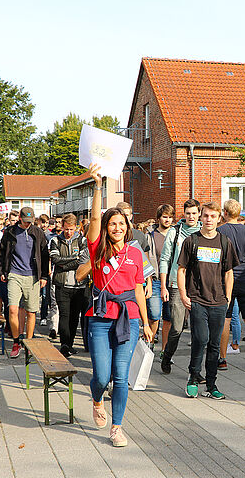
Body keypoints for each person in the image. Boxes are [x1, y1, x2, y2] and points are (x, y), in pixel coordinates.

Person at [85, 164, 152, 447]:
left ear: (128, 228)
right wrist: (98, 187)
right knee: (102, 376)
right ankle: (97, 399)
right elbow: (94, 221)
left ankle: (117, 427)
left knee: (121, 377)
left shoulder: (136, 253)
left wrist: (147, 324)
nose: (116, 228)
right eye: (112, 224)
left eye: (121, 224)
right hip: (101, 316)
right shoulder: (97, 247)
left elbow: (138, 289)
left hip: (129, 318)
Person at [177, 201, 237, 400]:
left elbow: (229, 273)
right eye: (206, 216)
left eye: (213, 216)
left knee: (214, 343)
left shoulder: (225, 242)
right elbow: (181, 270)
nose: (209, 219)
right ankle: (193, 378)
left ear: (219, 218)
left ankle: (211, 385)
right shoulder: (191, 241)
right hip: (197, 299)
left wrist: (227, 297)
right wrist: (184, 295)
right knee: (200, 340)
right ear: (201, 217)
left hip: (219, 301)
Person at [0, 206, 50, 359]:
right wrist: (2, 272)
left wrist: (44, 276)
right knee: (12, 309)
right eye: (25, 221)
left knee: (31, 311)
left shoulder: (38, 233)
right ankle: (16, 341)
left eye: (30, 222)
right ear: (20, 218)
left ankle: (29, 342)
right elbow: (2, 252)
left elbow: (45, 255)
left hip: (32, 276)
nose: (27, 224)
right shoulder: (10, 232)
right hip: (14, 274)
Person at [158, 199, 201, 374]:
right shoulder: (175, 232)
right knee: (177, 327)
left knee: (199, 330)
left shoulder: (204, 232)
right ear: (184, 214)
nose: (191, 216)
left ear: (199, 214)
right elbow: (165, 259)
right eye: (188, 213)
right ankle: (167, 355)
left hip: (199, 286)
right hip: (176, 284)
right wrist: (163, 286)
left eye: (194, 213)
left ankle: (195, 369)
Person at [217, 199, 245, 370]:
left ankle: (222, 359)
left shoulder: (220, 231)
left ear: (225, 213)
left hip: (225, 278)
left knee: (225, 318)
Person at [50, 213, 89, 357]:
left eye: (71, 229)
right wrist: (74, 259)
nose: (69, 232)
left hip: (79, 286)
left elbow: (83, 261)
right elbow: (55, 260)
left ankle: (70, 344)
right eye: (66, 229)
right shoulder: (55, 240)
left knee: (75, 317)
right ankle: (64, 345)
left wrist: (66, 262)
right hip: (62, 284)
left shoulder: (82, 240)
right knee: (64, 315)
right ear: (62, 227)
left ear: (76, 228)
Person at [146, 204, 174, 343]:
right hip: (155, 280)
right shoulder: (151, 235)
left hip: (171, 280)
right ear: (158, 218)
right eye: (164, 217)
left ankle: (165, 351)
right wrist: (148, 281)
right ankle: (150, 343)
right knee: (154, 315)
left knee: (169, 317)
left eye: (170, 217)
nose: (167, 220)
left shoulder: (175, 234)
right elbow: (147, 258)